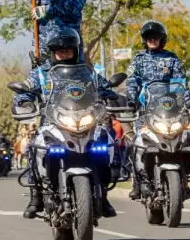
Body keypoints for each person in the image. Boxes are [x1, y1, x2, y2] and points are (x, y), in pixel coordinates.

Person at [15, 27, 117, 219]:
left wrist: (113, 97)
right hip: (53, 123)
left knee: (106, 141)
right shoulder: (42, 74)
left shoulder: (88, 73)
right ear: (53, 53)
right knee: (34, 147)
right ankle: (35, 197)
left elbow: (104, 88)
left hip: (85, 121)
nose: (64, 53)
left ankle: (103, 195)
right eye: (59, 51)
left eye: (68, 50)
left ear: (75, 51)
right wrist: (24, 101)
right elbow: (26, 89)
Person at [126, 20, 189, 200]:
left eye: (156, 38)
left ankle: (184, 181)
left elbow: (181, 83)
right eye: (149, 38)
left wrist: (189, 102)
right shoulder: (138, 60)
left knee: (185, 141)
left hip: (170, 111)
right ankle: (138, 183)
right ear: (144, 40)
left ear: (162, 39)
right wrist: (131, 100)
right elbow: (131, 82)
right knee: (138, 143)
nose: (152, 41)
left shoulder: (172, 59)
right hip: (146, 111)